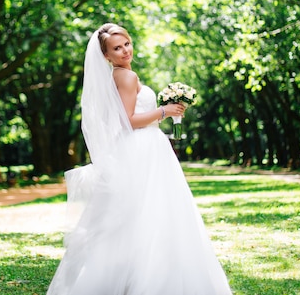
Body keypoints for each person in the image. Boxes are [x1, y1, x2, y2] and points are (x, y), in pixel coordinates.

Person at [46, 23, 232, 295]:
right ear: (106, 56)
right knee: (152, 212)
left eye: (127, 44)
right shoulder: (125, 77)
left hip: (143, 149)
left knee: (139, 215)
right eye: (116, 48)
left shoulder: (121, 75)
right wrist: (164, 112)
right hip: (142, 148)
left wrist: (166, 113)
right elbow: (129, 121)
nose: (125, 51)